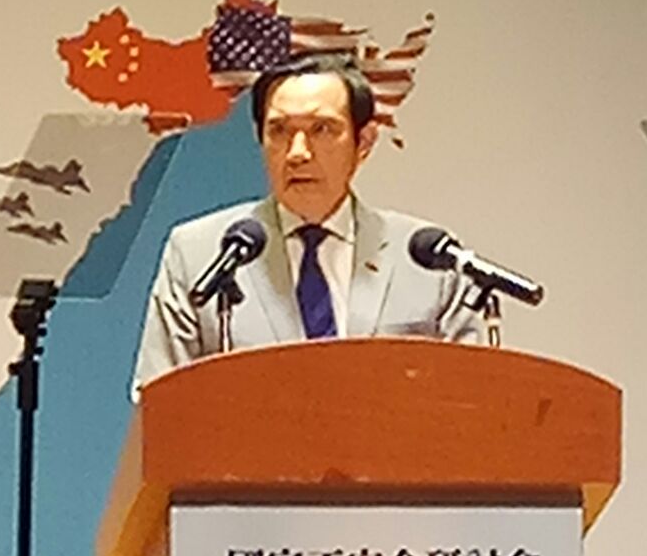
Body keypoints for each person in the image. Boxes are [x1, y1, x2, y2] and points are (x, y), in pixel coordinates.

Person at [133, 57, 486, 390]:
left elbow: (472, 400)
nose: (297, 152)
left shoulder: (430, 260)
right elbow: (159, 400)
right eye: (279, 131)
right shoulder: (198, 253)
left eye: (322, 129)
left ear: (363, 142)